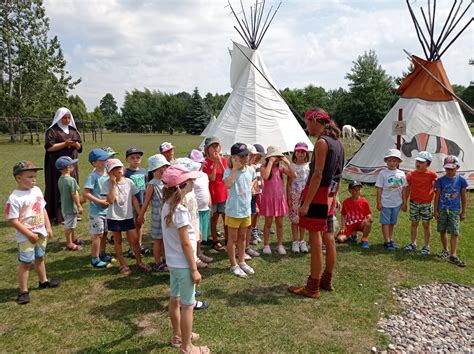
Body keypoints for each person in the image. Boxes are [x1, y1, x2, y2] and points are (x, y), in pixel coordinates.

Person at [288, 108, 344, 299]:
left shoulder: (321, 143)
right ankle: (326, 279)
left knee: (316, 239)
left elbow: (318, 174)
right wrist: (335, 195)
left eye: (307, 122)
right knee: (328, 237)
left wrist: (306, 204)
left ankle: (313, 286)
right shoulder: (338, 143)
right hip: (330, 194)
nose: (306, 126)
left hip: (319, 195)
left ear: (315, 121)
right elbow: (338, 174)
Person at [161, 165, 210, 353]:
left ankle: (178, 335)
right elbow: (186, 244)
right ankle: (187, 347)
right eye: (190, 180)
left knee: (175, 299)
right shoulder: (179, 210)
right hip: (183, 265)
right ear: (181, 186)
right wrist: (194, 269)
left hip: (173, 263)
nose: (193, 182)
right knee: (187, 305)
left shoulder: (167, 206)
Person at [6, 161, 60, 305]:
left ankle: (43, 281)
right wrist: (29, 234)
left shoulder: (36, 190)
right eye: (30, 177)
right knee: (26, 263)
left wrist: (48, 227)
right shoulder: (15, 198)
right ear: (18, 178)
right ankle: (23, 291)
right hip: (26, 237)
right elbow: (14, 221)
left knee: (40, 258)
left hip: (41, 233)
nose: (34, 180)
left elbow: (42, 209)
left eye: (35, 176)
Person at [101, 158, 151, 275]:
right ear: (109, 172)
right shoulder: (106, 183)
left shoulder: (129, 182)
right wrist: (113, 185)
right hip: (114, 217)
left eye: (119, 167)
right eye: (115, 168)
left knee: (134, 240)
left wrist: (139, 213)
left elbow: (134, 198)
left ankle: (139, 262)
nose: (119, 170)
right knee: (118, 241)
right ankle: (122, 264)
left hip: (128, 216)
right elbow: (110, 200)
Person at [223, 143, 256, 278]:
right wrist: (235, 170)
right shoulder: (229, 171)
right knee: (232, 239)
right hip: (233, 211)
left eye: (247, 155)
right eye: (242, 156)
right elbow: (228, 185)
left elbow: (253, 180)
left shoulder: (250, 170)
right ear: (234, 157)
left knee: (243, 237)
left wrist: (253, 188)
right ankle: (233, 265)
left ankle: (241, 261)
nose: (245, 158)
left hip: (245, 210)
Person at [44, 107, 82, 223]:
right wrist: (65, 144)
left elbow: (80, 147)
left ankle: (73, 212)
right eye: (64, 118)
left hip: (72, 163)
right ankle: (58, 214)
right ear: (59, 118)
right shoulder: (52, 131)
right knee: (59, 187)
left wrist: (75, 145)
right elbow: (50, 147)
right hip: (57, 165)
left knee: (72, 186)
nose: (66, 120)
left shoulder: (73, 130)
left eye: (68, 117)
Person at [260, 146, 297, 255]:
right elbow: (265, 176)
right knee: (268, 223)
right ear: (269, 157)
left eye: (278, 157)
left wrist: (288, 163)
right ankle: (266, 245)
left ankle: (279, 244)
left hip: (279, 199)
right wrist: (270, 163)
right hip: (269, 199)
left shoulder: (281, 168)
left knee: (280, 224)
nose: (276, 159)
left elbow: (294, 175)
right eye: (274, 156)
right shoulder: (264, 167)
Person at [83, 148, 115, 268]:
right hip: (96, 211)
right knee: (97, 235)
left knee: (105, 233)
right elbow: (86, 193)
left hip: (107, 210)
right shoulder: (93, 176)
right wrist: (99, 202)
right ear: (94, 163)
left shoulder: (107, 174)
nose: (105, 161)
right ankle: (95, 259)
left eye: (106, 159)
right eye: (102, 160)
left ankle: (102, 253)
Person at [137, 154, 170, 272]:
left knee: (167, 239)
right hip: (157, 217)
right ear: (153, 170)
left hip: (168, 216)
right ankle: (157, 262)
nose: (162, 170)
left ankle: (167, 260)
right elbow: (146, 201)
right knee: (157, 241)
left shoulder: (167, 182)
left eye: (164, 167)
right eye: (158, 168)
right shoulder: (152, 184)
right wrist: (141, 215)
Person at [434, 155, 468, 267]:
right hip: (442, 209)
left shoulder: (461, 180)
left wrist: (463, 211)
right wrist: (436, 210)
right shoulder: (440, 180)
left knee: (454, 232)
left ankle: (453, 255)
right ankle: (445, 250)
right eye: (447, 168)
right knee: (442, 230)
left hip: (454, 210)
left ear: (457, 167)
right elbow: (437, 196)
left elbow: (463, 196)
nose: (449, 171)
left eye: (451, 168)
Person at [404, 151, 438, 255]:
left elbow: (438, 186)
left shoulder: (432, 175)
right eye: (417, 161)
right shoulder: (411, 175)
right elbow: (407, 188)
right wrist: (404, 202)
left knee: (426, 225)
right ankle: (413, 243)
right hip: (414, 203)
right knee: (414, 223)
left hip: (426, 204)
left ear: (428, 164)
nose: (418, 163)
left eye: (421, 162)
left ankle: (426, 246)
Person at [375, 149, 408, 251]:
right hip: (386, 202)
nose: (392, 163)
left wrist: (404, 202)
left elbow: (404, 189)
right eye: (389, 161)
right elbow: (379, 188)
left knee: (392, 222)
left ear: (398, 162)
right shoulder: (382, 173)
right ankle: (387, 241)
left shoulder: (402, 174)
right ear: (386, 161)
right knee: (385, 222)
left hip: (397, 202)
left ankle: (390, 238)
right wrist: (379, 202)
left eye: (394, 161)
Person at [188, 150, 214, 264]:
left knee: (201, 233)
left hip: (204, 208)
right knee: (195, 233)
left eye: (201, 162)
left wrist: (210, 204)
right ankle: (195, 255)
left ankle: (199, 252)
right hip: (195, 209)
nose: (200, 165)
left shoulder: (204, 175)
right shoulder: (190, 177)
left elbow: (207, 190)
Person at [202, 136, 227, 252]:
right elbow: (211, 178)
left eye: (217, 145)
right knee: (214, 218)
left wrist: (220, 161)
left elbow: (225, 174)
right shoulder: (205, 163)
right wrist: (215, 163)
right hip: (212, 194)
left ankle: (228, 239)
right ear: (207, 149)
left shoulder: (224, 160)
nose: (215, 148)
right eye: (213, 146)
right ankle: (215, 240)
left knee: (226, 217)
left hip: (223, 193)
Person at [124, 147, 150, 257]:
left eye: (138, 157)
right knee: (131, 226)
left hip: (142, 202)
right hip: (129, 204)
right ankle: (131, 247)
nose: (135, 160)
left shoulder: (144, 171)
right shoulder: (125, 172)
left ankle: (139, 245)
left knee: (139, 224)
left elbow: (147, 186)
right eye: (132, 158)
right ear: (127, 159)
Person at [56, 156, 83, 251]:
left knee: (71, 225)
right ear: (68, 167)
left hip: (64, 206)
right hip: (70, 207)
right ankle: (69, 243)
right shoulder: (71, 180)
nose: (74, 166)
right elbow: (74, 194)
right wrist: (79, 206)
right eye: (72, 164)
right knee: (68, 226)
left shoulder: (61, 179)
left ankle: (73, 239)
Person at [287, 142, 311, 253]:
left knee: (303, 219)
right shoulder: (291, 166)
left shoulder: (309, 166)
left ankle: (302, 240)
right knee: (295, 219)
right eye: (298, 151)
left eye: (303, 152)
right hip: (294, 196)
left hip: (305, 196)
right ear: (294, 153)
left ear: (306, 153)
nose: (301, 154)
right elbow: (289, 182)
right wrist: (288, 196)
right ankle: (295, 241)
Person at [336, 181, 373, 248]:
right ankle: (353, 234)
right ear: (350, 191)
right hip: (350, 225)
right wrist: (343, 227)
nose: (357, 192)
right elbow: (343, 215)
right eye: (354, 190)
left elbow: (368, 214)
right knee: (340, 239)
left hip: (360, 223)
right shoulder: (346, 202)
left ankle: (364, 239)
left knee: (368, 222)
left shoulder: (364, 202)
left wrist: (369, 218)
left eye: (359, 189)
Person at [250, 143, 265, 245]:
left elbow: (260, 179)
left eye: (260, 157)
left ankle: (254, 229)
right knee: (254, 212)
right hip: (251, 193)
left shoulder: (258, 166)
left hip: (258, 192)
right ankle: (251, 231)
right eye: (258, 156)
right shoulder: (249, 166)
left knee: (257, 212)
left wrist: (261, 188)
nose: (259, 158)